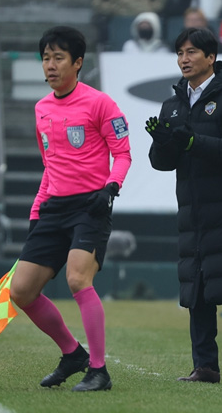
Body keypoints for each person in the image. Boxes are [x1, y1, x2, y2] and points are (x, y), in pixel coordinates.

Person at [9, 26, 131, 392]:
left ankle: (99, 370)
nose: (50, 65)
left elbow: (123, 154)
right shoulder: (41, 108)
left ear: (77, 63)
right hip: (53, 209)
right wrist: (36, 213)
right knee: (21, 292)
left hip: (90, 207)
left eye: (58, 58)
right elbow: (50, 167)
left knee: (78, 279)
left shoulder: (100, 103)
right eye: (46, 58)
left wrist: (111, 187)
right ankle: (72, 353)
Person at [146, 27, 222, 385]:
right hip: (193, 213)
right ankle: (206, 367)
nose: (184, 59)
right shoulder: (173, 104)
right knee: (196, 289)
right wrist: (163, 143)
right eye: (180, 53)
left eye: (192, 52)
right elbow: (161, 163)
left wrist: (192, 141)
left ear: (211, 57)